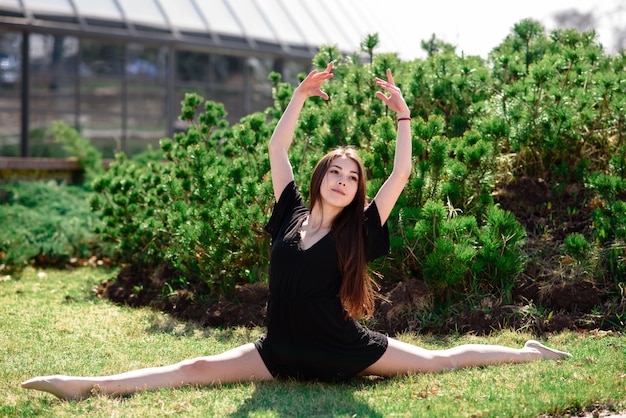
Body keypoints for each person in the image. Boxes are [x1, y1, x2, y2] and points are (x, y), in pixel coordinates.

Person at [21, 62, 571, 401]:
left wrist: (403, 117)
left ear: (358, 190)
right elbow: (277, 148)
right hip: (279, 351)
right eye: (334, 170)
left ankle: (528, 353)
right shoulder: (291, 214)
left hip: (342, 351)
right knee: (192, 368)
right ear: (319, 178)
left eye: (352, 176)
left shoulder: (360, 230)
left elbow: (401, 173)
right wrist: (299, 97)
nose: (342, 179)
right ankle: (86, 386)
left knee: (443, 360)